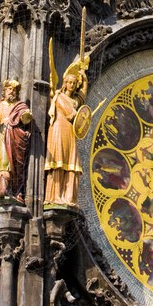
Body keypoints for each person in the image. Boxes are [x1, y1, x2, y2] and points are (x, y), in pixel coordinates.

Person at [44, 60, 88, 209]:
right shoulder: (59, 97)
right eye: (69, 82)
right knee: (59, 160)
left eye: (74, 83)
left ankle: (69, 197)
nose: (71, 85)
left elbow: (82, 97)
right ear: (65, 83)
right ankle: (55, 196)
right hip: (58, 130)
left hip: (70, 132)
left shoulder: (75, 100)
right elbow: (71, 114)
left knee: (70, 163)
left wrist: (85, 79)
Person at [0, 79, 32, 204]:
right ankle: (3, 187)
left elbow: (26, 121)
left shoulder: (20, 106)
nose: (12, 92)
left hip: (16, 138)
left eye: (14, 90)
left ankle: (17, 191)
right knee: (4, 161)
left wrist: (26, 116)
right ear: (4, 91)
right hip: (3, 136)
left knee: (17, 166)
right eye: (9, 89)